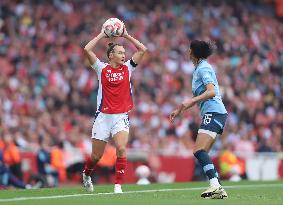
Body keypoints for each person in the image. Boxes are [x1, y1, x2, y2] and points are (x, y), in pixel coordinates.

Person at [82, 25, 147, 193]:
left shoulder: (128, 68)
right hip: (103, 117)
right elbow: (87, 49)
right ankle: (86, 174)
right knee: (96, 157)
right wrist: (101, 35)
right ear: (111, 55)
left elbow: (143, 49)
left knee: (121, 148)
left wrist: (126, 36)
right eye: (120, 52)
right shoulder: (101, 68)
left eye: (124, 53)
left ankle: (118, 185)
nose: (124, 55)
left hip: (120, 116)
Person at [170, 40, 228, 199]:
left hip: (213, 112)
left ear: (193, 53)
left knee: (198, 150)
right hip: (216, 113)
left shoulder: (203, 68)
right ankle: (218, 188)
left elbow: (211, 92)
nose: (188, 52)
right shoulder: (199, 68)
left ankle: (215, 185)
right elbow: (199, 96)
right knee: (204, 152)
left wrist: (192, 101)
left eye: (189, 50)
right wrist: (180, 109)